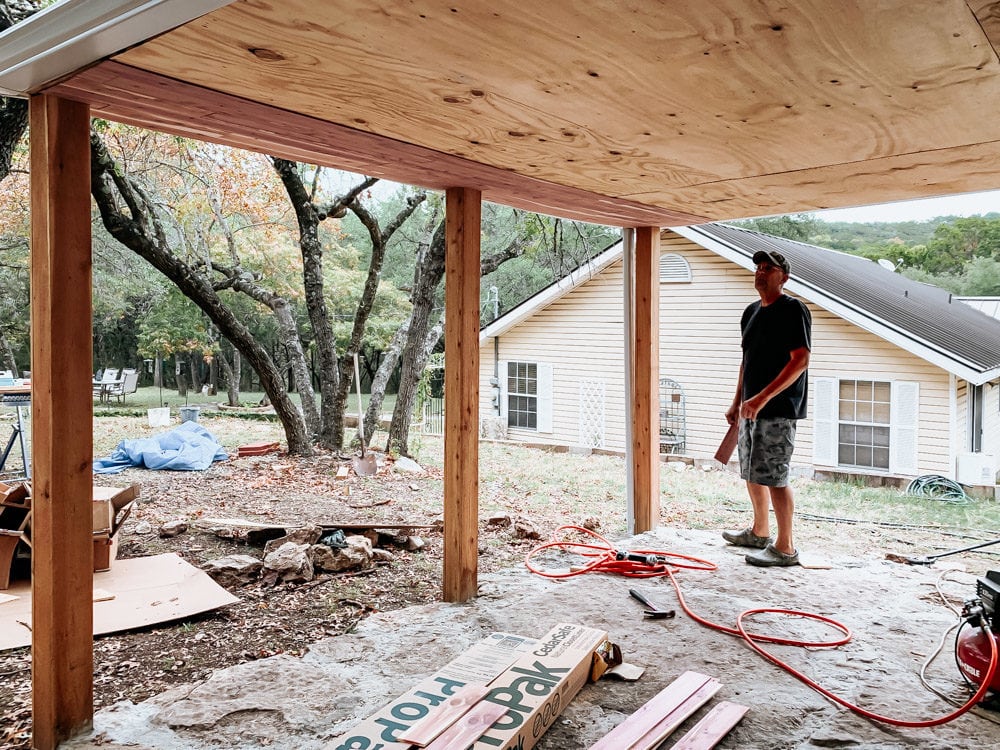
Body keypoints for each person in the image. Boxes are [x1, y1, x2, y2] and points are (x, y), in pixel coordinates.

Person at [722, 249, 811, 567]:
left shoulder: (792, 309)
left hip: (778, 409)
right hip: (749, 408)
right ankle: (760, 532)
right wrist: (738, 402)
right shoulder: (750, 312)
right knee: (751, 470)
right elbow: (746, 361)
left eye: (768, 268)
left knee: (774, 475)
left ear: (783, 277)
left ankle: (785, 547)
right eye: (757, 267)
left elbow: (800, 360)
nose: (760, 272)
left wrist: (762, 398)